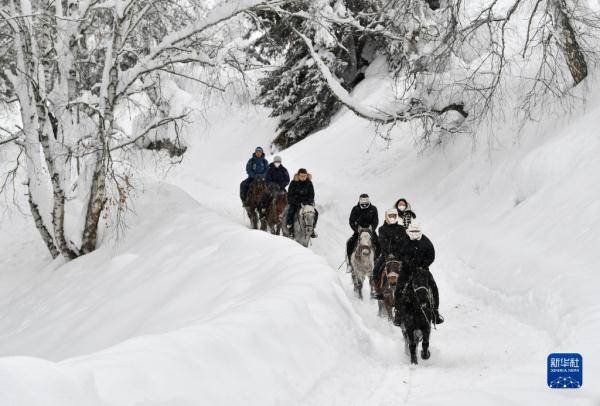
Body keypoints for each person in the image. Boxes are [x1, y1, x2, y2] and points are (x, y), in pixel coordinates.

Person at [393, 222, 444, 325]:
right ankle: (398, 312)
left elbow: (431, 255)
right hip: (406, 270)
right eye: (412, 231)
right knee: (399, 288)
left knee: (433, 287)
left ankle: (435, 312)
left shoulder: (426, 241)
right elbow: (396, 253)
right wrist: (406, 261)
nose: (414, 233)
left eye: (416, 231)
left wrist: (423, 265)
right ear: (408, 231)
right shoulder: (403, 240)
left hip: (422, 270)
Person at [372, 208, 410, 299]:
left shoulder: (401, 229)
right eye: (390, 216)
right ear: (387, 216)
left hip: (399, 255)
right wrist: (389, 251)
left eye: (394, 216)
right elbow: (382, 242)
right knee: (376, 270)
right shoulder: (382, 229)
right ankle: (378, 291)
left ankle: (409, 289)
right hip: (386, 255)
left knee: (409, 268)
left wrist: (400, 251)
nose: (392, 217)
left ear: (397, 216)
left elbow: (404, 241)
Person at [346, 194, 379, 265]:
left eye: (366, 202)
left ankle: (377, 261)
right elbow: (351, 221)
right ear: (360, 200)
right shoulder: (355, 209)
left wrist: (371, 228)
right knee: (350, 243)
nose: (364, 204)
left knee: (378, 243)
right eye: (363, 202)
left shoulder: (373, 209)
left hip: (370, 232)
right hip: (358, 232)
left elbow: (376, 221)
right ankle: (349, 264)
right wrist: (356, 229)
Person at [286, 168, 318, 237]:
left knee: (315, 213)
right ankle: (290, 228)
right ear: (298, 175)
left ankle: (312, 228)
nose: (303, 177)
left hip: (307, 203)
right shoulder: (293, 182)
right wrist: (297, 202)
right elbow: (290, 195)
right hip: (295, 203)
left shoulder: (309, 183)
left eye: (305, 176)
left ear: (306, 175)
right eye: (301, 176)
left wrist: (308, 202)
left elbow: (311, 194)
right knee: (291, 211)